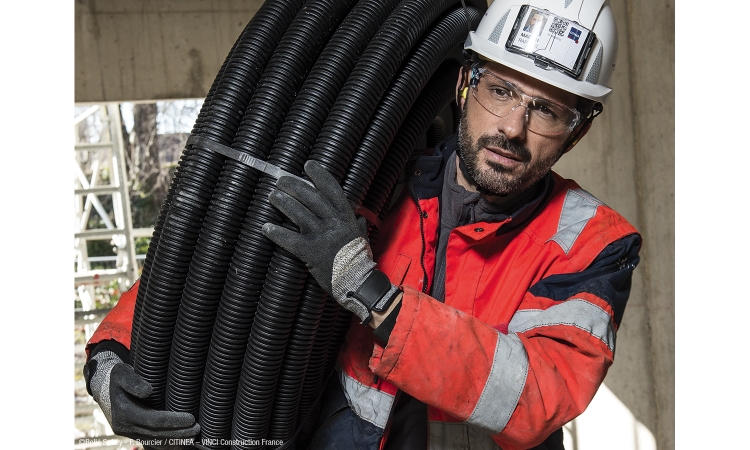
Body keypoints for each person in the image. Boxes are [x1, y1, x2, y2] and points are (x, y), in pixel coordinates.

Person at [84, 0, 639, 449]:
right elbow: (228, 258)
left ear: (578, 130)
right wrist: (113, 356)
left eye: (548, 110)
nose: (513, 128)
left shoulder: (591, 241)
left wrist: (370, 291)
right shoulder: (380, 175)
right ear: (466, 84)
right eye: (502, 91)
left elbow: (538, 393)